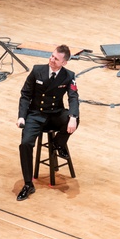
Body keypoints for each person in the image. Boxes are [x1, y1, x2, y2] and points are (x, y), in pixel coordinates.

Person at [16, 45, 79, 201]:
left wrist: (73, 116)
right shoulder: (37, 70)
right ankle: (28, 184)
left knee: (74, 120)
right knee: (25, 144)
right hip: (35, 114)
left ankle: (59, 143)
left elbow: (73, 97)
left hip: (55, 114)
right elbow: (25, 95)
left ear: (64, 63)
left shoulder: (69, 75)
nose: (51, 59)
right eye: (51, 56)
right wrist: (22, 116)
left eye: (56, 59)